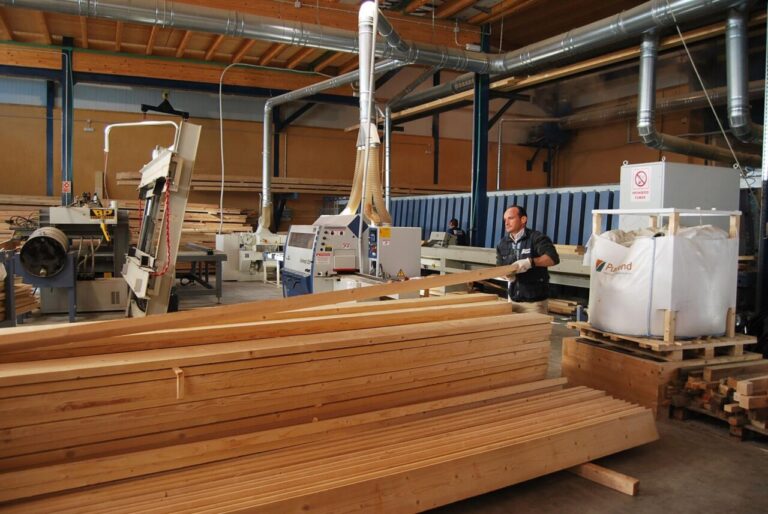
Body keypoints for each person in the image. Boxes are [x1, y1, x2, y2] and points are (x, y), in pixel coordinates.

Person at [496, 205, 559, 314]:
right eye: (505, 219)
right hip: (513, 300)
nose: (506, 223)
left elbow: (553, 258)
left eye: (510, 218)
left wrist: (530, 262)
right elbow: (499, 267)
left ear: (523, 219)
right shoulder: (503, 243)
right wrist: (506, 275)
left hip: (534, 303)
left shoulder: (536, 238)